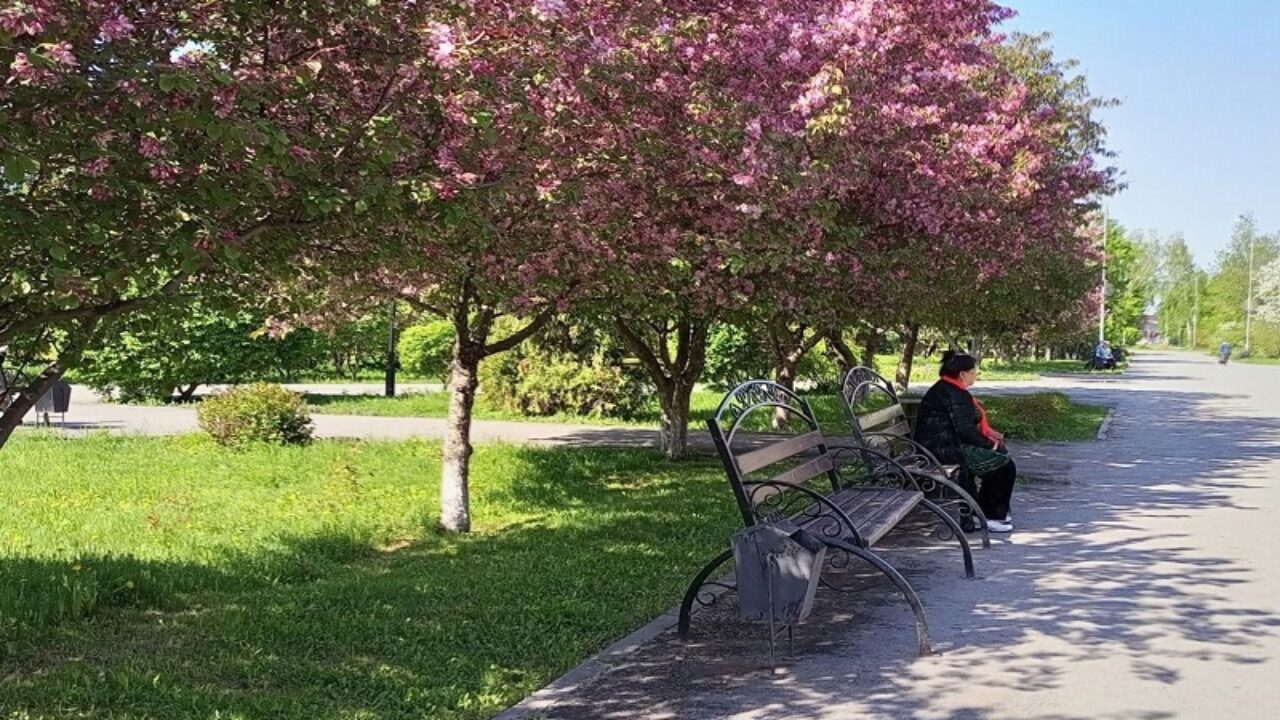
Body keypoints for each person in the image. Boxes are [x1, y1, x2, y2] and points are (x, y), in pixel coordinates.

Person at [912, 351, 1017, 533]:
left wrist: (989, 441)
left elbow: (965, 425)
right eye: (973, 371)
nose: (975, 374)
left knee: (1002, 459)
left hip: (943, 444)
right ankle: (988, 515)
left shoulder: (950, 389)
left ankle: (989, 511)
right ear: (962, 374)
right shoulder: (952, 394)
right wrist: (989, 445)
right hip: (940, 449)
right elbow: (965, 430)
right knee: (1001, 465)